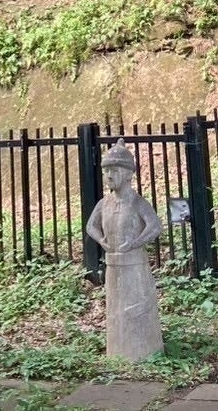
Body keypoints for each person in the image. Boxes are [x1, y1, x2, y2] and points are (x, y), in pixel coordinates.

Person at [84, 140, 164, 360]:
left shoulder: (137, 202)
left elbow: (155, 226)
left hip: (135, 266)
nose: (109, 175)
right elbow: (91, 226)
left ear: (129, 174)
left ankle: (143, 352)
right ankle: (118, 354)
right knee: (116, 312)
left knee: (137, 310)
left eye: (115, 170)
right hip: (113, 266)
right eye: (106, 171)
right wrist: (102, 240)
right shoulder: (104, 203)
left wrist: (135, 243)